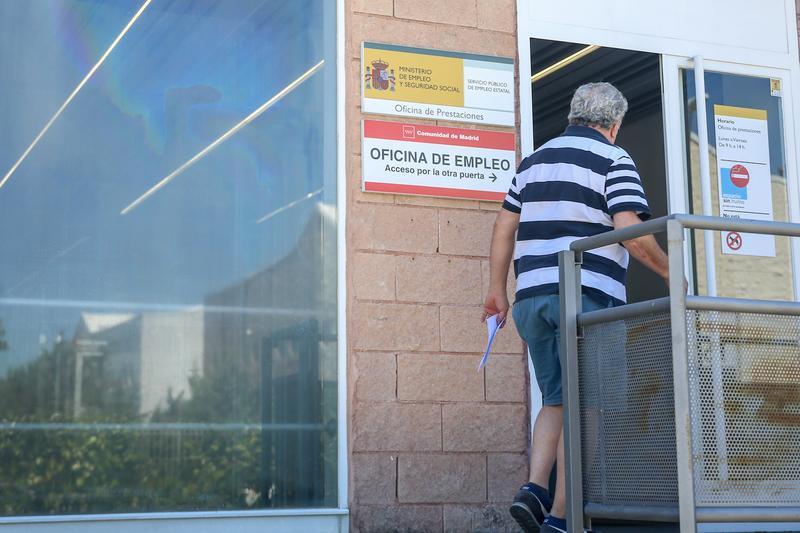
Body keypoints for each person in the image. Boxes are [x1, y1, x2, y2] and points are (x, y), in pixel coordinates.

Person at [481, 82, 671, 533]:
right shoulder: (614, 158)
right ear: (615, 124)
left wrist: (496, 291)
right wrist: (671, 272)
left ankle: (534, 488)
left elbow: (504, 227)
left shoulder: (533, 162)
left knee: (557, 399)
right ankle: (562, 517)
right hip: (585, 299)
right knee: (590, 406)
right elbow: (631, 231)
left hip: (532, 298)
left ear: (573, 114)